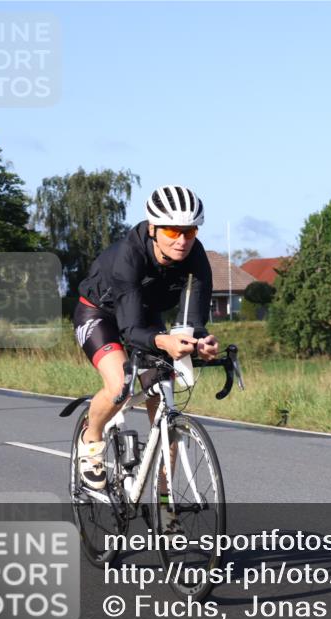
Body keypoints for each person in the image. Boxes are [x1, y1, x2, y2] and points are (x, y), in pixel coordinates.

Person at [72, 184, 219, 493]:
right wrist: (165, 342)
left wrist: (201, 341)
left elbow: (194, 321)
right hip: (100, 315)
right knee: (120, 386)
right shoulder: (130, 255)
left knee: (164, 402)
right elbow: (130, 330)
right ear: (153, 228)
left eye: (190, 232)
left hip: (146, 317)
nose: (181, 241)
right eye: (172, 231)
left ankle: (165, 504)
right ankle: (91, 438)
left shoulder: (196, 256)